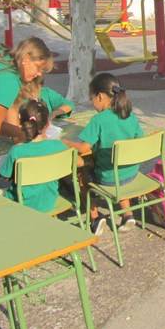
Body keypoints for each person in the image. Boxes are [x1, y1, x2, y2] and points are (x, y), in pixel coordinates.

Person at [66, 73, 143, 234]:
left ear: (100, 96)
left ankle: (95, 218)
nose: (91, 102)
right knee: (117, 166)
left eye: (91, 98)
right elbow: (140, 140)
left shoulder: (98, 120)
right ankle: (127, 214)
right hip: (131, 173)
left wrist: (65, 142)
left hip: (108, 178)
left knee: (82, 174)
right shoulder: (129, 115)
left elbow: (83, 148)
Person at [0, 100, 70, 212]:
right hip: (50, 202)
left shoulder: (17, 151)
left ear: (21, 125)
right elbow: (77, 162)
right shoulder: (58, 146)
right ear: (47, 124)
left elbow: (5, 175)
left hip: (23, 204)